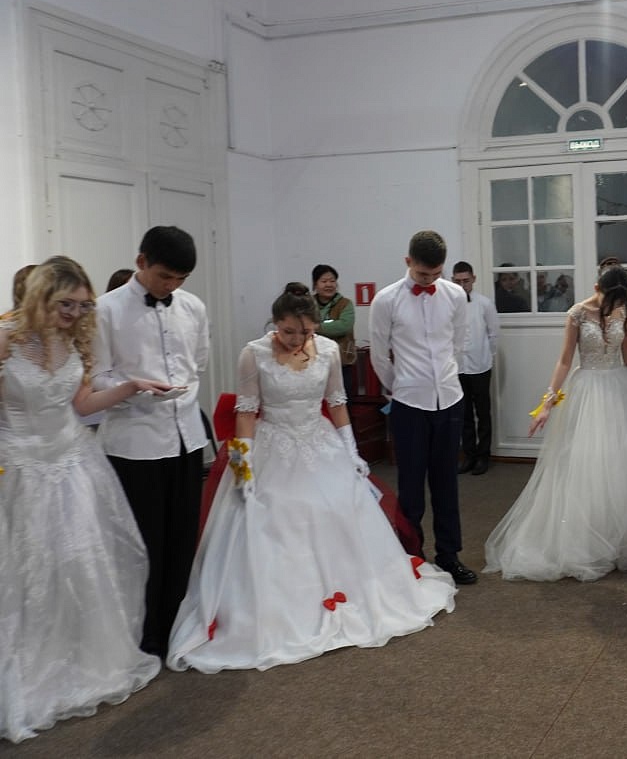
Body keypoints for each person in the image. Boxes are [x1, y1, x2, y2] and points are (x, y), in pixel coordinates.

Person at [167, 284, 456, 672]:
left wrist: (351, 451)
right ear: (276, 324)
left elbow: (337, 404)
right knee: (277, 520)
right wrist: (242, 468)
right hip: (273, 447)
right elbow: (245, 413)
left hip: (321, 444)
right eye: (288, 331)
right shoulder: (253, 354)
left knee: (337, 511)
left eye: (305, 332)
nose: (296, 339)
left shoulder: (329, 350)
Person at [0, 257, 168, 743]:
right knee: (25, 570)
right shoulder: (6, 340)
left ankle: (79, 657)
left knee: (78, 562)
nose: (75, 314)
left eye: (82, 305)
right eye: (66, 305)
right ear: (40, 297)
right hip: (18, 465)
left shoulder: (75, 340)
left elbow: (82, 405)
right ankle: (28, 666)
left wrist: (130, 387)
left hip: (73, 462)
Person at [484, 265, 627, 581]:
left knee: (624, 464)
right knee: (586, 464)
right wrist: (547, 402)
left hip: (621, 390)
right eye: (609, 299)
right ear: (596, 288)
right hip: (587, 389)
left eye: (618, 301)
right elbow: (565, 360)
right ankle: (588, 539)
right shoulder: (577, 314)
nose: (613, 306)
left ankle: (621, 538)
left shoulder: (625, 311)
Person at [93, 226, 209, 657]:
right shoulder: (105, 310)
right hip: (134, 444)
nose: (172, 286)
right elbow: (95, 377)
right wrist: (134, 388)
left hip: (186, 438)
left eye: (181, 279)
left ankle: (176, 625)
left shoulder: (193, 307)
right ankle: (145, 636)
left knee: (182, 537)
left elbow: (197, 363)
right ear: (141, 262)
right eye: (165, 276)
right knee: (143, 543)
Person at [370, 231, 477, 585]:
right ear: (408, 262)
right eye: (422, 274)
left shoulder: (455, 295)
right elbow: (379, 355)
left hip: (449, 399)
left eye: (435, 274)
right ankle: (412, 556)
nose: (429, 280)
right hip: (409, 403)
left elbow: (457, 343)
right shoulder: (386, 300)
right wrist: (401, 386)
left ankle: (449, 555)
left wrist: (445, 379)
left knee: (447, 483)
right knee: (411, 486)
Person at [452, 261, 499, 476]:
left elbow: (494, 334)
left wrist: (487, 357)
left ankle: (483, 456)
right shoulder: (448, 304)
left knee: (482, 412)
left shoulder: (485, 304)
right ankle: (469, 455)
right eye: (458, 281)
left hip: (480, 365)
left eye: (466, 280)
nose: (462, 285)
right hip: (457, 366)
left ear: (474, 279)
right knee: (463, 414)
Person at [312, 264, 357, 397]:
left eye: (332, 281)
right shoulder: (308, 304)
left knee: (342, 399)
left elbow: (344, 326)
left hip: (341, 361)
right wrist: (329, 326)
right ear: (315, 284)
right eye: (324, 281)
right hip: (314, 362)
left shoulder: (345, 304)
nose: (329, 285)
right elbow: (302, 326)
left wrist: (316, 327)